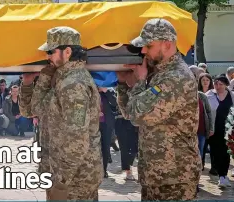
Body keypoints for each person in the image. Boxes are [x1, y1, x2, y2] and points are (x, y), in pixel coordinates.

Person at [116, 18, 201, 200]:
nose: (144, 51)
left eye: (149, 45)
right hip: (156, 175)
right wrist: (123, 84)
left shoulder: (176, 78)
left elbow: (137, 116)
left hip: (175, 178)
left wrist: (139, 83)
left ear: (167, 45)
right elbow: (128, 112)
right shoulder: (159, 74)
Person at [20, 26, 102, 201]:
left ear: (67, 52)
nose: (47, 56)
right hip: (64, 173)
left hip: (75, 179)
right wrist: (41, 78)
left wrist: (61, 182)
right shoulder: (62, 79)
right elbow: (34, 110)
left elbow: (77, 139)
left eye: (51, 51)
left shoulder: (73, 84)